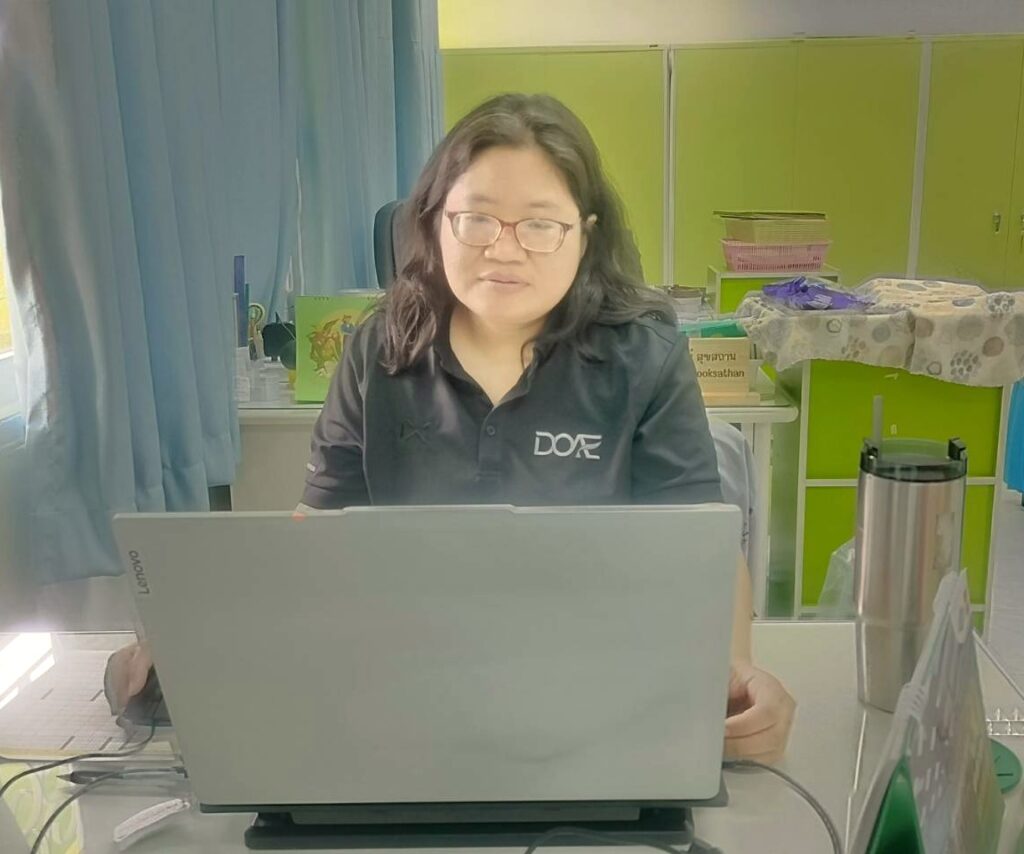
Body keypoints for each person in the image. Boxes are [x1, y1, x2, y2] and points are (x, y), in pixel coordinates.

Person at [108, 93, 795, 763]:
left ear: (585, 234)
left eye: (541, 224)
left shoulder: (643, 354)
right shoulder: (379, 349)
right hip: (402, 685)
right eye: (478, 219)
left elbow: (700, 544)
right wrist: (201, 635)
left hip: (590, 686)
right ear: (435, 221)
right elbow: (316, 533)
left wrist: (734, 669)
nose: (506, 249)